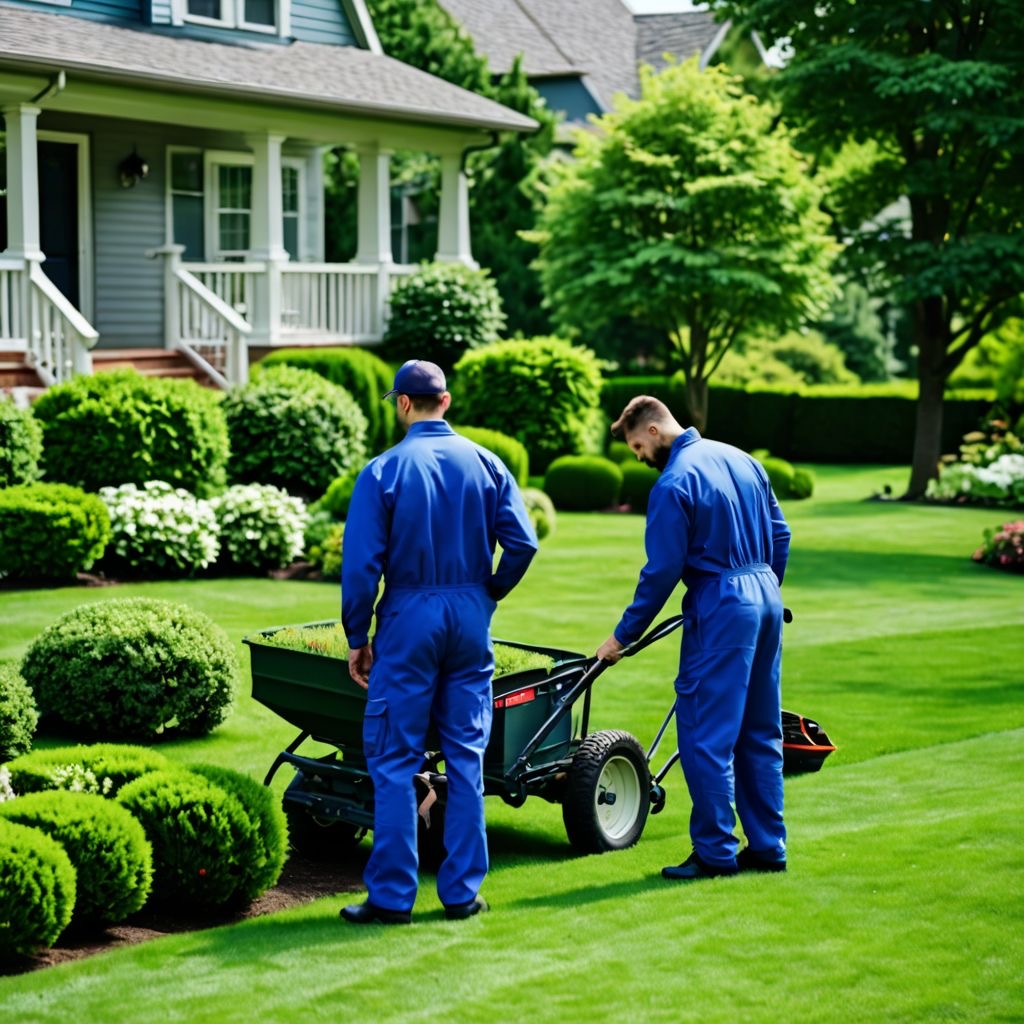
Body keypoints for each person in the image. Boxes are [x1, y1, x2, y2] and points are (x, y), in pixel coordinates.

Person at [340, 359, 538, 924]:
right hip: (470, 614)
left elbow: (361, 567)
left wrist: (358, 635)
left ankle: (392, 898)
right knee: (467, 759)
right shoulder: (487, 463)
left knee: (395, 759)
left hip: (409, 615)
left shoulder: (383, 471)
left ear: (403, 404)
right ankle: (461, 894)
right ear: (444, 402)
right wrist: (487, 593)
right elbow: (522, 544)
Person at [596, 395, 791, 881]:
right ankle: (768, 846)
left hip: (722, 603)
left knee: (705, 735)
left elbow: (661, 571)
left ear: (655, 431)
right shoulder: (742, 459)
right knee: (760, 731)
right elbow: (781, 533)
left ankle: (715, 853)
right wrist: (766, 588)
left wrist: (621, 637)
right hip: (764, 596)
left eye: (638, 446)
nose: (639, 457)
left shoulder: (674, 483)